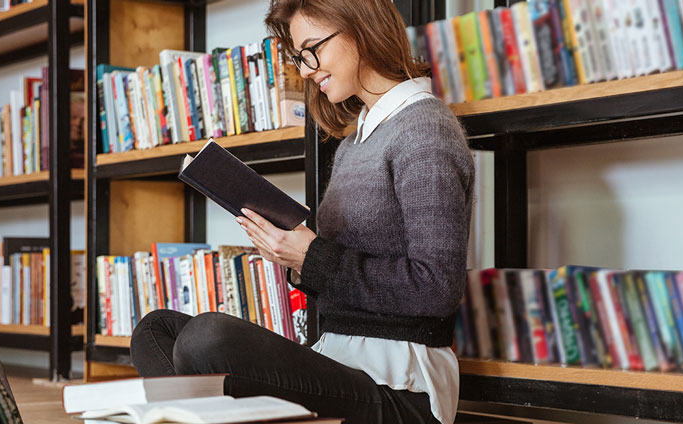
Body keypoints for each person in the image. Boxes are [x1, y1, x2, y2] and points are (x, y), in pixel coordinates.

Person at [130, 0, 474, 423]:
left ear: (360, 29)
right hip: (339, 358)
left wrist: (311, 258)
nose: (307, 68)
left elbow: (436, 288)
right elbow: (341, 274)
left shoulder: (425, 129)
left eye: (312, 49)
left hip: (401, 386)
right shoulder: (356, 140)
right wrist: (291, 257)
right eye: (300, 56)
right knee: (156, 329)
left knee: (207, 338)